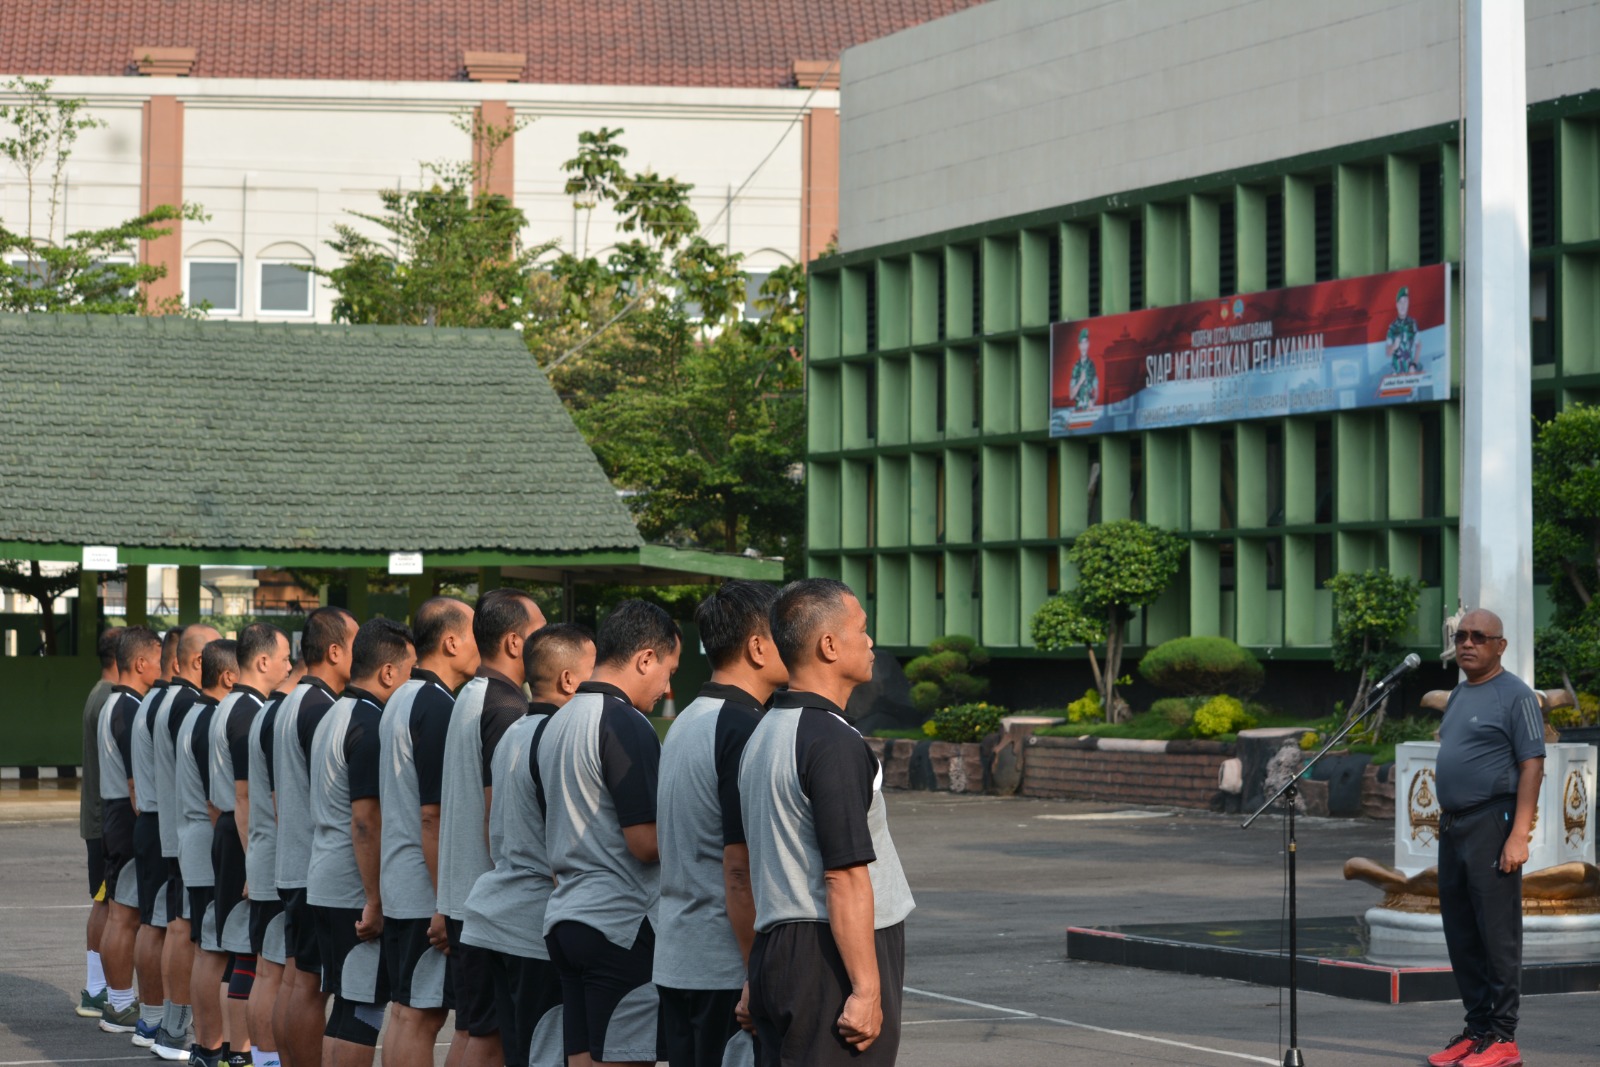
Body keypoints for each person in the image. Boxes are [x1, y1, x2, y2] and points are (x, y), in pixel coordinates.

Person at [739, 579, 914, 1067]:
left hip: (779, 947)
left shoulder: (763, 734)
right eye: (862, 629)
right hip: (829, 955)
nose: (871, 641)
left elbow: (757, 863)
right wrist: (865, 988)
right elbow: (844, 874)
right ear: (829, 645)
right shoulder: (831, 742)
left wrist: (757, 974)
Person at [540, 599, 681, 1067]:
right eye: (667, 669)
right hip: (621, 926)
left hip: (567, 918)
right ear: (645, 658)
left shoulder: (557, 720)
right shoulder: (624, 722)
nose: (667, 686)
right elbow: (644, 843)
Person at [655, 581, 787, 1067]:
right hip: (725, 967)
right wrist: (757, 972)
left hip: (679, 956)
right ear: (757, 646)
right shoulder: (744, 726)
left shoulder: (689, 717)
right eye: (783, 632)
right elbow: (739, 865)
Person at [462, 622, 596, 1067]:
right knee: (544, 1051)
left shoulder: (514, 732)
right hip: (534, 921)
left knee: (518, 1048)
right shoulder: (558, 737)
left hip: (497, 910)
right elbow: (562, 841)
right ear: (568, 680)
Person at [1425, 609, 1546, 1067]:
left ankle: (1503, 1036)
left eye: (1479, 636)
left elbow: (1531, 763)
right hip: (1453, 825)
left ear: (1500, 645)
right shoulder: (1459, 693)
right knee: (1461, 931)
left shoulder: (1515, 695)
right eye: (1461, 636)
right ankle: (1477, 1029)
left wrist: (1518, 834)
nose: (1467, 643)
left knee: (1497, 934)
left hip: (1492, 823)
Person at [438, 588, 546, 1067]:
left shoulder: (473, 694)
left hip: (465, 893)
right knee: (489, 1035)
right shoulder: (505, 709)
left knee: (473, 1028)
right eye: (540, 631)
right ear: (515, 642)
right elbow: (497, 816)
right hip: (489, 897)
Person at [307, 618, 417, 1067]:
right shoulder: (370, 722)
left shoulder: (334, 712)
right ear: (388, 672)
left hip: (327, 876)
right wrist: (374, 898)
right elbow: (365, 820)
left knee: (349, 1004)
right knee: (364, 1006)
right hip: (353, 887)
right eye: (411, 670)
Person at [378, 597, 478, 1067]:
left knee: (404, 1011)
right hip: (424, 887)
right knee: (421, 1015)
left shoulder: (400, 696)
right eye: (475, 633)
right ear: (451, 641)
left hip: (400, 878)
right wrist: (444, 903)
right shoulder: (437, 705)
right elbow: (431, 815)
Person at [272, 605, 357, 1067]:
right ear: (334, 650)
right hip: (312, 866)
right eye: (355, 642)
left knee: (295, 981)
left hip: (294, 861)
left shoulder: (291, 702)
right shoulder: (323, 708)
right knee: (309, 987)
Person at [210, 625, 293, 1064]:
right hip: (244, 837)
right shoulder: (248, 711)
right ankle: (241, 1052)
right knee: (249, 954)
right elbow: (243, 796)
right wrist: (250, 861)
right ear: (263, 662)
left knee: (240, 952)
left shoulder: (232, 706)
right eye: (284, 658)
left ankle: (233, 1048)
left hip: (231, 830)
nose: (288, 666)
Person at [152, 625, 218, 1062]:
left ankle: (172, 1024)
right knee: (186, 930)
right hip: (187, 833)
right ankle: (175, 1026)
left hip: (176, 830)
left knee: (181, 926)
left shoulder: (170, 702)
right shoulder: (188, 705)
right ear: (198, 662)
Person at [177, 638, 241, 1067]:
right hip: (209, 847)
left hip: (195, 845)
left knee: (207, 947)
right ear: (229, 677)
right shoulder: (213, 720)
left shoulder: (195, 715)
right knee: (214, 950)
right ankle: (213, 1045)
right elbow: (220, 803)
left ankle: (207, 1046)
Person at [95, 625, 162, 1035]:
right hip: (126, 812)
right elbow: (138, 782)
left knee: (122, 913)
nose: (162, 667)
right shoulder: (129, 708)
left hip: (116, 811)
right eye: (158, 660)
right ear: (140, 663)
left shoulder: (117, 703)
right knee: (124, 915)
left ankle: (119, 1000)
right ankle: (120, 1004)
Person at [245, 656, 305, 1067]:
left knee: (270, 972)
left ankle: (262, 1057)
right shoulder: (290, 712)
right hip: (280, 855)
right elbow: (278, 801)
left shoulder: (269, 712)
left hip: (268, 853)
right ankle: (266, 1060)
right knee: (278, 974)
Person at [128, 627, 180, 1046]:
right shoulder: (175, 704)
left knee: (152, 922)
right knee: (165, 924)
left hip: (149, 817)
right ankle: (161, 1020)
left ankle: (151, 1017)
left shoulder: (149, 703)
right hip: (165, 820)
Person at [77, 625, 123, 1020]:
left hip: (96, 818)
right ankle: (98, 990)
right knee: (109, 907)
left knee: (102, 903)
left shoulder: (99, 693)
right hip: (103, 819)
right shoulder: (111, 698)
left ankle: (96, 987)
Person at [1386, 285, 1420, 373]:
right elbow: (1388, 352)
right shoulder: (1392, 327)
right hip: (1396, 375)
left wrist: (1414, 364)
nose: (1403, 305)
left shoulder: (1413, 324)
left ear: (1408, 303)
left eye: (1405, 302)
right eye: (1400, 302)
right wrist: (1394, 346)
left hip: (1410, 372)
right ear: (1397, 305)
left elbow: (1418, 345)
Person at [1069, 327, 1098, 410]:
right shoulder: (1076, 368)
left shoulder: (1091, 365)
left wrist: (1093, 401)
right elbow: (1071, 396)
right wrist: (1080, 381)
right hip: (1079, 409)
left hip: (1090, 409)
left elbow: (1096, 390)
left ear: (1088, 344)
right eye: (1082, 343)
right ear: (1079, 346)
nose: (1084, 346)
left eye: (1085, 342)